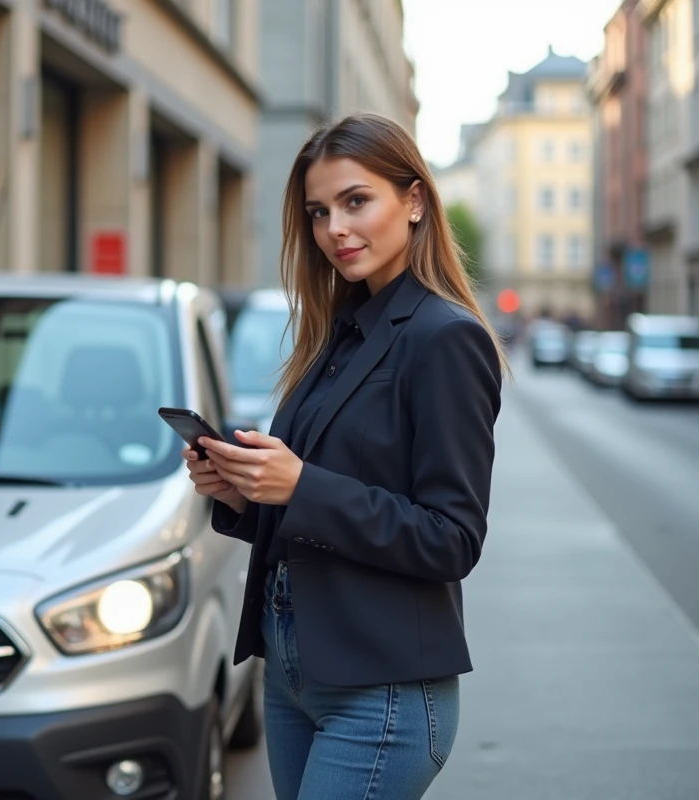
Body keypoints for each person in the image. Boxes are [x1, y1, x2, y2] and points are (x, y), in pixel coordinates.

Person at [183, 113, 506, 799]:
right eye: (319, 211)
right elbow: (318, 503)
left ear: (414, 200)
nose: (334, 228)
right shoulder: (341, 331)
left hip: (381, 689)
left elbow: (452, 538)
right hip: (294, 672)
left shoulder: (444, 338)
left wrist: (299, 486)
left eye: (356, 201)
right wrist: (244, 494)